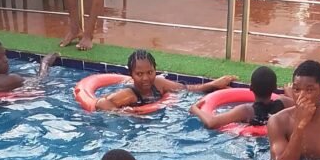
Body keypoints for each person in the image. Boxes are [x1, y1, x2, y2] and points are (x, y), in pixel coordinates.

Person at [94, 49, 234, 111]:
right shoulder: (129, 94)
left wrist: (214, 84)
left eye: (150, 72)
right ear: (131, 74)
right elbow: (101, 103)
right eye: (139, 74)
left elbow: (186, 89)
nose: (145, 78)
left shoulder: (158, 83)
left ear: (155, 71)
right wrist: (123, 114)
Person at [189, 64, 291, 129]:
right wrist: (290, 93)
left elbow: (212, 123)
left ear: (251, 88)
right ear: (275, 88)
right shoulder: (284, 102)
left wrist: (195, 109)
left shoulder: (246, 111)